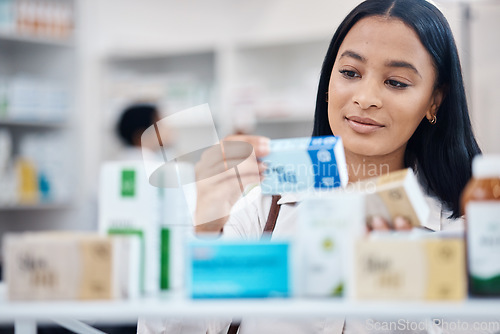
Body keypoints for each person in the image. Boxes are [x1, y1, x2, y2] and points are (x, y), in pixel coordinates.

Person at [138, 0, 482, 333]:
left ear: (434, 100)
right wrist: (205, 227)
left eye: (396, 82)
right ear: (328, 83)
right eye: (350, 72)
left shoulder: (469, 231)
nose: (365, 98)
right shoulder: (261, 211)